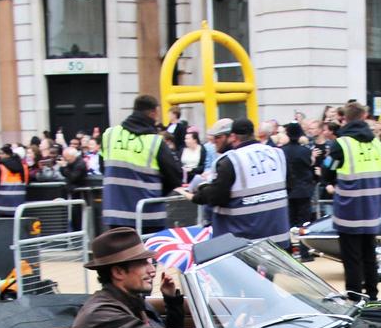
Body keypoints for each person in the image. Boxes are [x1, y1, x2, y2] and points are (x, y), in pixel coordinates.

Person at [70, 227, 200, 328]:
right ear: (118, 272)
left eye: (150, 262)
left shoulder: (131, 300)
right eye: (143, 264)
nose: (152, 270)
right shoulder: (103, 315)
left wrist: (171, 299)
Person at [321, 102, 381, 300]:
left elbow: (328, 169)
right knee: (370, 255)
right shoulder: (379, 144)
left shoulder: (341, 144)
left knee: (352, 258)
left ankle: (354, 297)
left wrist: (329, 182)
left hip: (350, 210)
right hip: (373, 209)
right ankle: (373, 296)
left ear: (345, 118)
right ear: (365, 116)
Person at [190, 117, 291, 246]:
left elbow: (216, 197)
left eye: (217, 138)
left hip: (244, 242)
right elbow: (289, 187)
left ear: (232, 136)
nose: (214, 142)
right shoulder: (277, 154)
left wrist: (201, 191)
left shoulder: (230, 160)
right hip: (278, 238)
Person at [101, 95, 183, 233]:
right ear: (153, 112)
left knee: (122, 254)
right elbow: (175, 176)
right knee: (149, 253)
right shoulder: (155, 142)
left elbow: (103, 167)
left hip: (115, 215)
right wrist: (156, 192)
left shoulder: (110, 134)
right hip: (149, 214)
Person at [280, 122, 317, 259]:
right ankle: (304, 252)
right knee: (304, 223)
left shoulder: (282, 151)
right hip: (304, 190)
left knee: (288, 222)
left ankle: (288, 251)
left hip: (288, 191)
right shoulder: (306, 151)